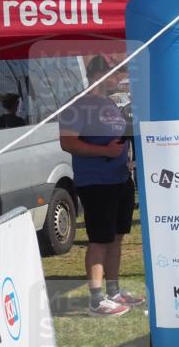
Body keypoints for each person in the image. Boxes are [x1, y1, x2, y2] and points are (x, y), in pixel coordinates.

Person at [58, 56, 144, 316]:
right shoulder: (76, 105)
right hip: (95, 183)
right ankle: (96, 300)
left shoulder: (109, 103)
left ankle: (113, 292)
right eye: (116, 74)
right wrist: (103, 150)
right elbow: (68, 143)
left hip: (119, 179)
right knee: (99, 240)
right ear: (98, 74)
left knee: (116, 238)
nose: (120, 79)